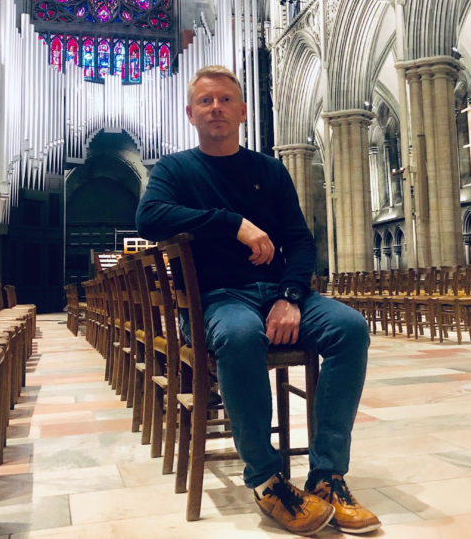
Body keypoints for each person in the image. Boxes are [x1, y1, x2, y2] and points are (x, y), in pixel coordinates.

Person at [135, 65, 380, 536]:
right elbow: (150, 217)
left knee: (350, 327)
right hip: (217, 299)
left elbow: (300, 242)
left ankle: (328, 476)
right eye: (205, 101)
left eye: (226, 100)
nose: (216, 108)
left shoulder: (269, 171)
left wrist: (290, 297)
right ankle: (268, 481)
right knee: (241, 335)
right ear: (190, 113)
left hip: (277, 293)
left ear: (243, 111)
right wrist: (233, 223)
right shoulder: (174, 169)